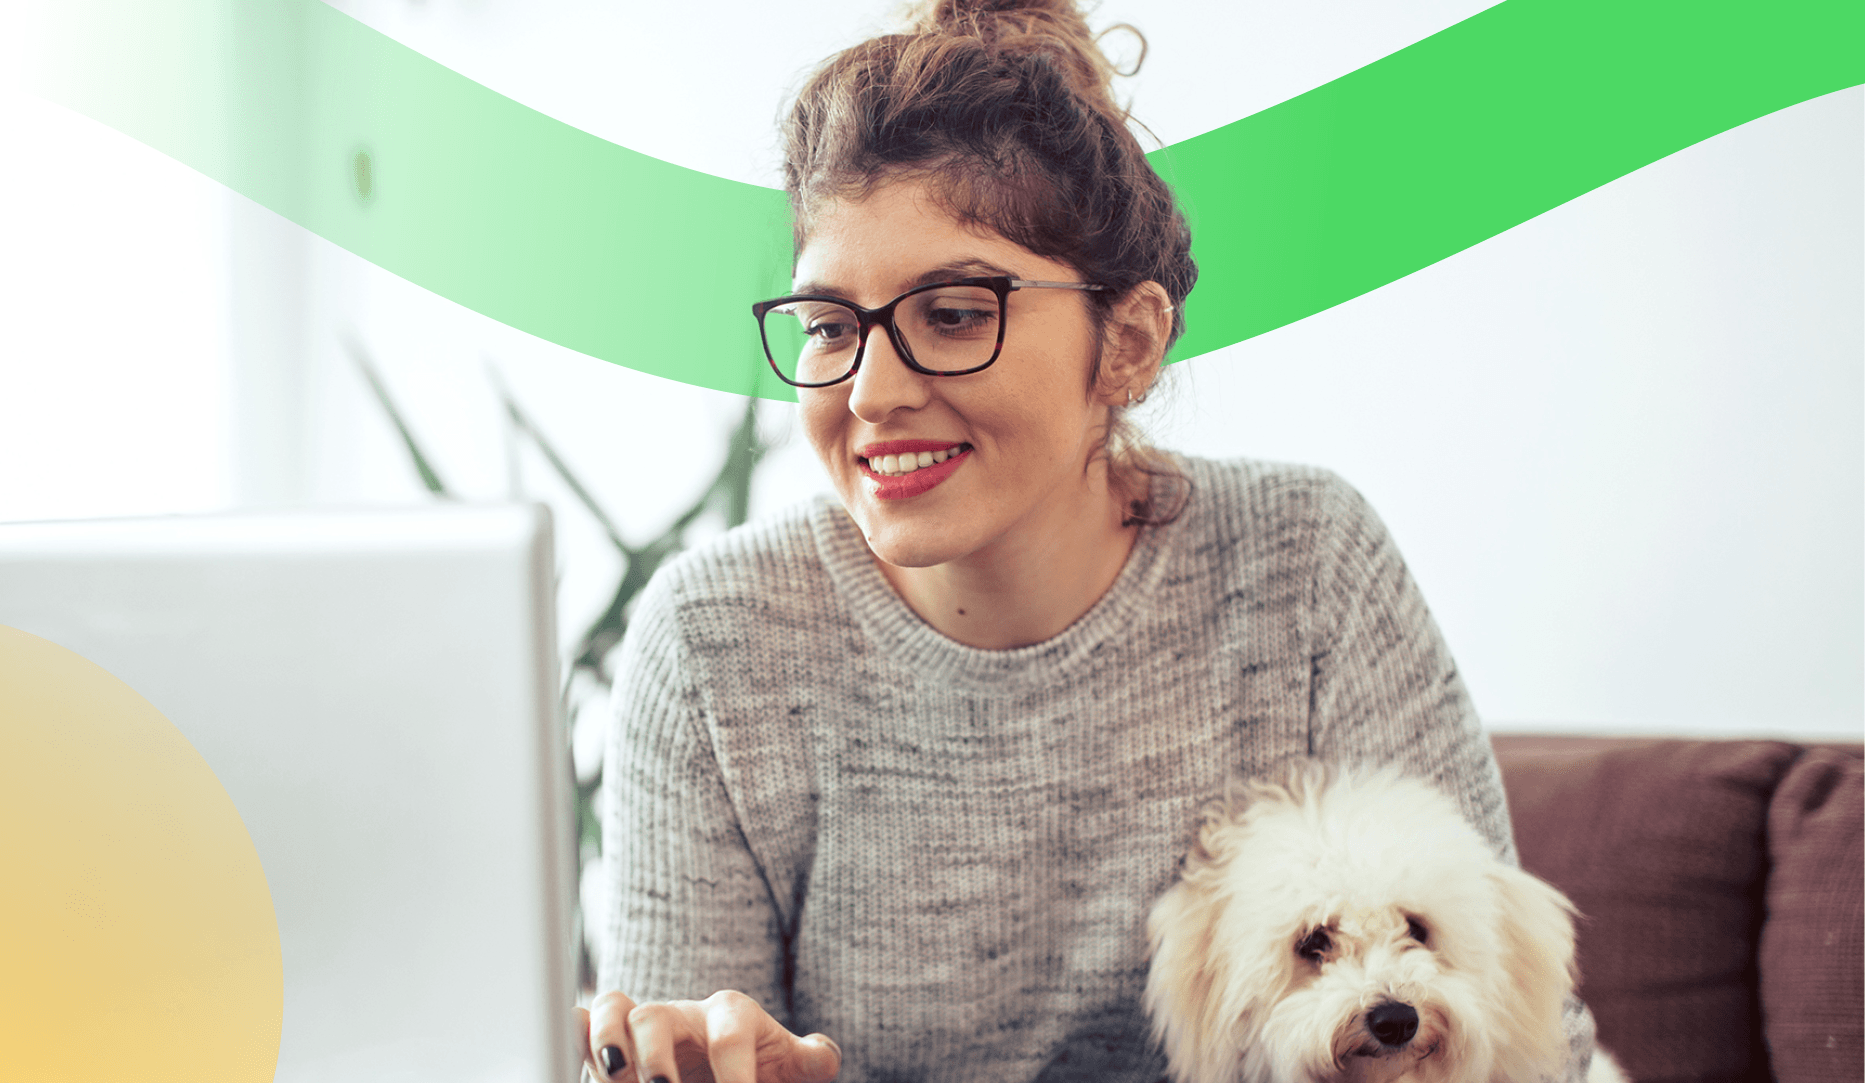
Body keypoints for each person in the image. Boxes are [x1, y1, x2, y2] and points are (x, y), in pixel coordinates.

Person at [576, 1, 1598, 1080]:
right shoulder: (713, 643)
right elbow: (668, 1054)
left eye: (955, 314)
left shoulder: (1305, 568)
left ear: (1129, 341)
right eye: (830, 327)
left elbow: (1526, 1048)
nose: (870, 393)